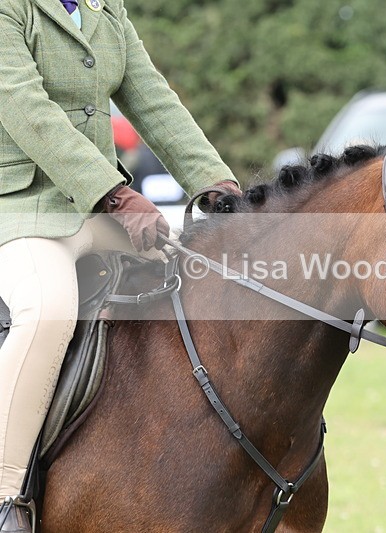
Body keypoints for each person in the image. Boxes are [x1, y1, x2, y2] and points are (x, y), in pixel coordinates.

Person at [0, 0, 240, 529]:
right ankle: (7, 494)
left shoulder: (106, 9)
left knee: (208, 274)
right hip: (22, 209)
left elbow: (153, 100)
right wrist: (116, 195)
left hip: (101, 209)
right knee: (47, 310)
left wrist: (214, 182)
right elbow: (23, 106)